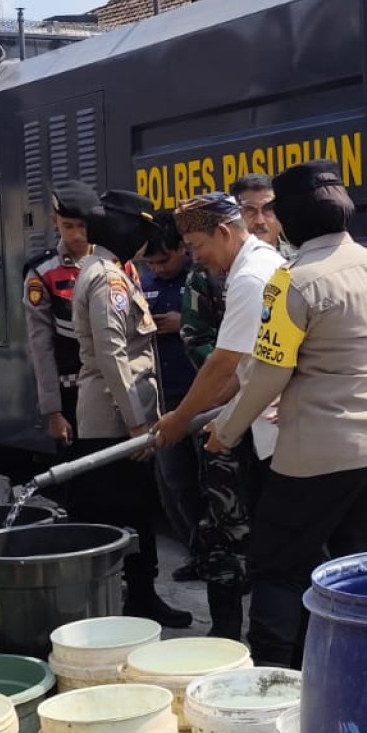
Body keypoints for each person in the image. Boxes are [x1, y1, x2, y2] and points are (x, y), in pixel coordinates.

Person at [210, 161, 367, 667]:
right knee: (365, 570)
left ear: (295, 218)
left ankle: (275, 682)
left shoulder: (293, 282)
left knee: (277, 565)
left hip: (318, 456)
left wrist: (226, 430)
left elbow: (267, 374)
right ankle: (365, 670)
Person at [158, 192, 288, 639]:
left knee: (234, 537)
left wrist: (179, 419)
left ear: (225, 232)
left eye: (196, 245)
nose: (195, 256)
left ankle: (238, 641)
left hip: (261, 429)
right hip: (255, 418)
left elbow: (223, 364)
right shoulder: (264, 262)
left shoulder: (251, 276)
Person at [72, 190, 189, 627]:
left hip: (120, 416)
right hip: (116, 420)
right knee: (124, 511)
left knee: (136, 509)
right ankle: (131, 600)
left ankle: (141, 595)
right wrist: (137, 423)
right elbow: (112, 354)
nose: (145, 241)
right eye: (141, 230)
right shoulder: (108, 279)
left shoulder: (108, 271)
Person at [138, 222, 202, 573]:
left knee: (212, 484)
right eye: (152, 263)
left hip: (205, 399)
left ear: (183, 248)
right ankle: (195, 549)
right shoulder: (141, 284)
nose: (158, 269)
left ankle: (222, 553)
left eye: (164, 260)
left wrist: (185, 322)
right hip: (164, 400)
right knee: (174, 481)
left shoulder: (203, 279)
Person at [25, 182, 97, 447]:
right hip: (71, 394)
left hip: (116, 391)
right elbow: (40, 345)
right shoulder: (42, 272)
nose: (77, 235)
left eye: (83, 225)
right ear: (54, 221)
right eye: (68, 226)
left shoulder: (115, 262)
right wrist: (53, 412)